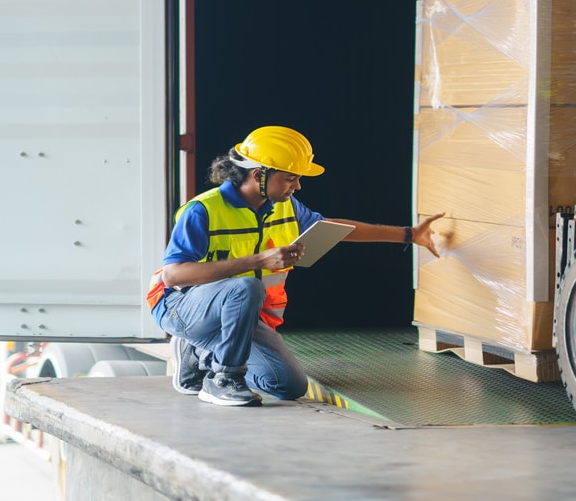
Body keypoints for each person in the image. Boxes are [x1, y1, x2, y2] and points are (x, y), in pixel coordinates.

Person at [145, 125, 444, 406]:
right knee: (245, 285)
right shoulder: (204, 210)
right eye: (290, 178)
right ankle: (223, 377)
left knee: (287, 386)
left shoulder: (285, 207)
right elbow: (174, 274)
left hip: (239, 315)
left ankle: (202, 353)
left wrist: (408, 234)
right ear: (259, 174)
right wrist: (259, 261)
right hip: (178, 307)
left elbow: (333, 228)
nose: (297, 186)